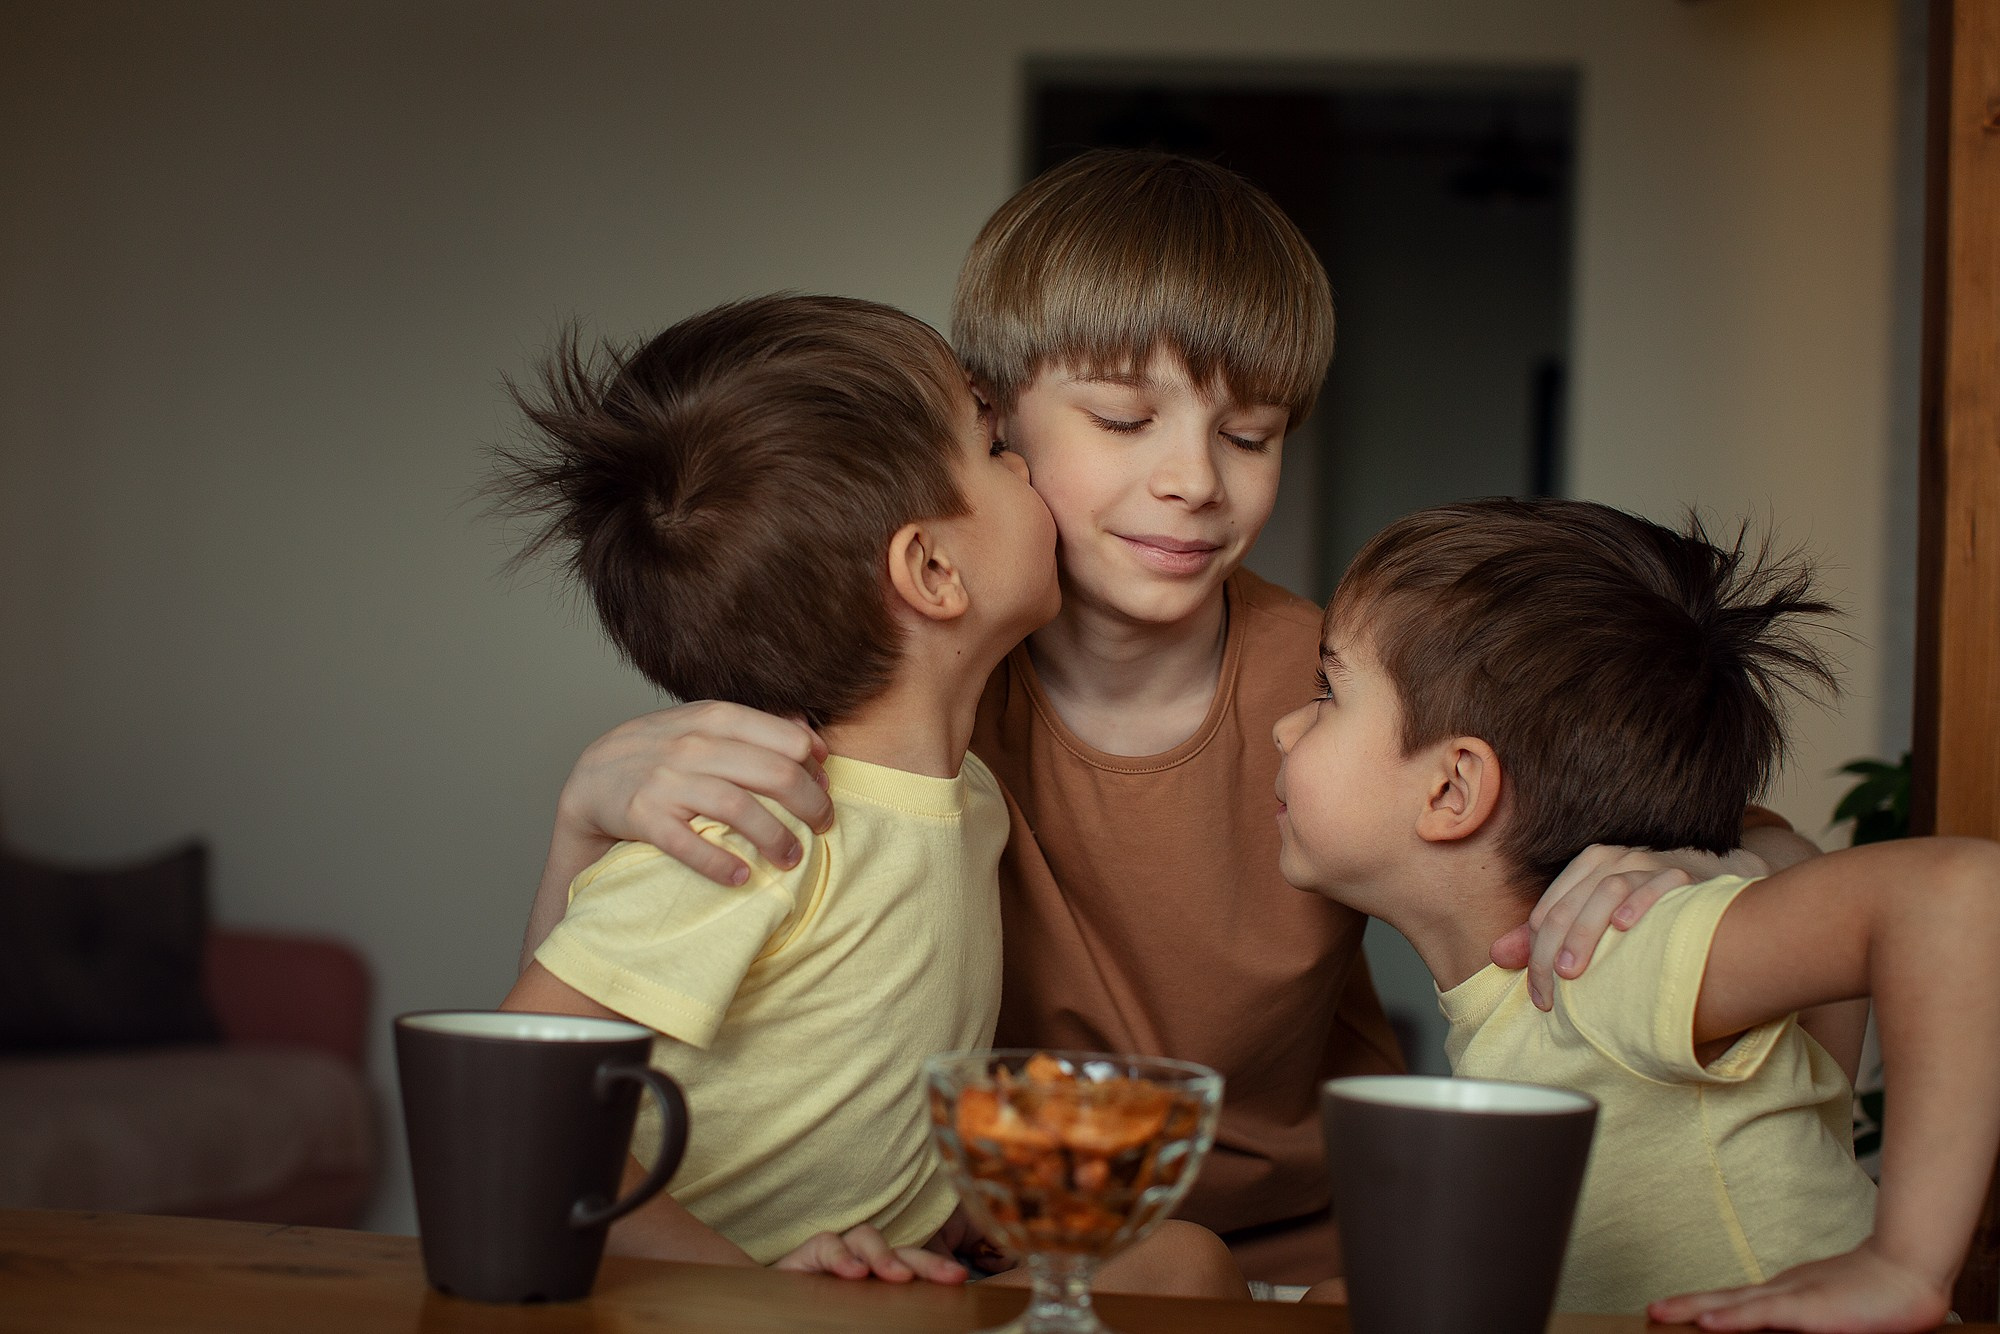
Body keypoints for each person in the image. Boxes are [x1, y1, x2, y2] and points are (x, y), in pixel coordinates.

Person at [516, 151, 1837, 1285]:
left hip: (1307, 1252)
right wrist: (585, 807)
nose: (1194, 479)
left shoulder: (1339, 693)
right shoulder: (892, 687)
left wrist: (1698, 862)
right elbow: (567, 1056)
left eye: (1253, 434)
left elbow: (1771, 865)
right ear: (999, 422)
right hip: (993, 1256)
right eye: (1124, 416)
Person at [491, 293, 1242, 1298]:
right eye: (991, 449)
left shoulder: (963, 799)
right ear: (932, 569)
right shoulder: (759, 822)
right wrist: (746, 1275)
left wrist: (947, 1209)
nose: (1023, 466)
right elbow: (514, 1093)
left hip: (882, 1269)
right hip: (710, 1295)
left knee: (1186, 1265)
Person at [1276, 498, 2000, 1327]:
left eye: (1327, 692)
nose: (1283, 730)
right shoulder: (1528, 993)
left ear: (1452, 789)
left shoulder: (1618, 953)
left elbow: (1959, 894)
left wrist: (1903, 1263)